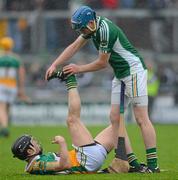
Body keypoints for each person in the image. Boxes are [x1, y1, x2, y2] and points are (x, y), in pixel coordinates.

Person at [45, 6, 159, 172]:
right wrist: (55, 64)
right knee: (115, 119)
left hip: (133, 71)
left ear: (91, 22)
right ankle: (132, 163)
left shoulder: (105, 30)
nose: (82, 32)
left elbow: (102, 63)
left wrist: (78, 68)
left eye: (83, 28)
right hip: (120, 73)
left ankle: (153, 165)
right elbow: (74, 46)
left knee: (141, 118)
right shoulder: (91, 28)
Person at [11, 73, 114, 174]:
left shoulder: (36, 163)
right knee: (72, 120)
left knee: (117, 125)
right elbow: (65, 165)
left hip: (87, 158)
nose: (38, 143)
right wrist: (62, 142)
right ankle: (70, 80)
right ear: (30, 151)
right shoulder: (36, 165)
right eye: (34, 143)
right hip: (85, 161)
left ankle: (126, 161)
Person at [0, 36, 30, 137]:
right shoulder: (16, 58)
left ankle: (4, 127)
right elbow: (21, 74)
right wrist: (21, 89)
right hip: (12, 85)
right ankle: (4, 126)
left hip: (1, 84)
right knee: (7, 107)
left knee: (2, 107)